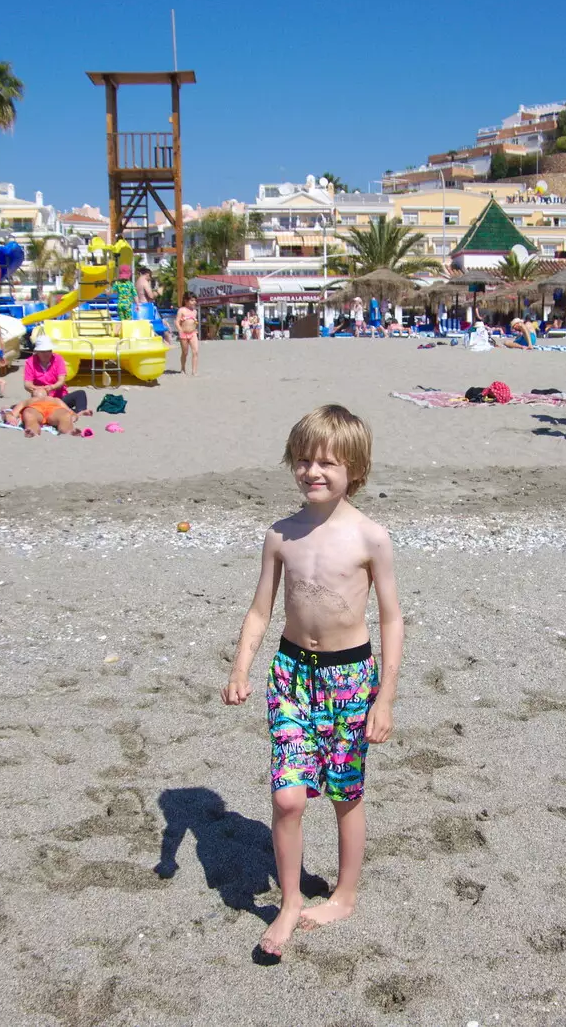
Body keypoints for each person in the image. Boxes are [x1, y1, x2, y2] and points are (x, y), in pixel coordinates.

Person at [221, 405, 402, 959]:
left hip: (351, 678)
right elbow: (260, 610)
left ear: (355, 470)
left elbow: (392, 618)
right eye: (303, 460)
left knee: (346, 794)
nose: (313, 471)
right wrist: (240, 667)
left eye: (327, 462)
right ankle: (292, 901)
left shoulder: (371, 537)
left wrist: (385, 698)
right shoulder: (280, 535)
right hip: (291, 674)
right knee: (288, 798)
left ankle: (344, 895)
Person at [22, 334, 88, 414]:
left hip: (59, 398)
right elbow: (27, 384)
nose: (46, 354)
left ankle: (81, 412)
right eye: (43, 351)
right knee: (32, 401)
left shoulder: (58, 359)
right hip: (40, 397)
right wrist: (39, 389)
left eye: (48, 351)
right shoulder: (30, 361)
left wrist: (51, 387)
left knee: (80, 394)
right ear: (37, 352)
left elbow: (61, 381)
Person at [0, 397, 92, 437]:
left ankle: (69, 431)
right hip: (34, 409)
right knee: (28, 414)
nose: (41, 387)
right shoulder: (27, 401)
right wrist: (8, 416)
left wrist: (74, 416)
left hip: (54, 410)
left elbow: (71, 413)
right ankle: (32, 431)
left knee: (65, 415)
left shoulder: (55, 400)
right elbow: (12, 413)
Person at [175, 293, 200, 376]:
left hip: (193, 333)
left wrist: (195, 323)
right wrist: (180, 330)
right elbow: (177, 322)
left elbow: (194, 321)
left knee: (195, 352)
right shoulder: (182, 310)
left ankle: (194, 371)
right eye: (192, 300)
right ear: (186, 301)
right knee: (185, 353)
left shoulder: (195, 311)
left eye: (195, 300)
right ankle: (183, 368)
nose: (194, 302)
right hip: (184, 333)